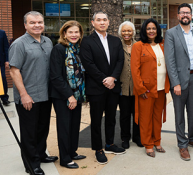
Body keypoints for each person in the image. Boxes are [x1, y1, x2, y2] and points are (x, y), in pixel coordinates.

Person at [9, 11, 58, 175]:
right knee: (29, 132)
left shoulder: (47, 41)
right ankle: (31, 164)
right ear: (25, 25)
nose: (37, 25)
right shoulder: (19, 44)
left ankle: (41, 154)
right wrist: (24, 94)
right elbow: (14, 71)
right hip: (28, 97)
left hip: (46, 94)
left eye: (40, 22)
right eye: (32, 23)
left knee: (43, 129)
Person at [80, 11, 125, 165]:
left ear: (108, 21)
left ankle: (110, 144)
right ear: (93, 23)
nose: (102, 22)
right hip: (96, 87)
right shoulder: (86, 41)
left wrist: (113, 78)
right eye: (98, 20)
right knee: (97, 120)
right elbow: (88, 64)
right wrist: (104, 80)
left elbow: (120, 61)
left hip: (113, 87)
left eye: (105, 19)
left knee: (111, 118)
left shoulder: (115, 40)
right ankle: (98, 149)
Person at [164, 3, 193, 161]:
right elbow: (170, 60)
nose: (185, 15)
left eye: (188, 13)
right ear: (178, 15)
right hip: (179, 81)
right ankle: (182, 144)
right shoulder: (171, 33)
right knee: (180, 115)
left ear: (191, 15)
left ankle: (192, 138)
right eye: (182, 13)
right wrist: (176, 83)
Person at [49, 20, 87, 169]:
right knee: (64, 127)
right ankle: (65, 158)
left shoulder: (77, 49)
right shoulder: (59, 49)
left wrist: (77, 95)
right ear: (64, 34)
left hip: (77, 94)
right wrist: (69, 96)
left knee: (74, 124)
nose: (73, 35)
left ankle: (72, 151)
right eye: (70, 32)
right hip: (62, 96)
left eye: (76, 32)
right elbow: (55, 76)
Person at [131, 18, 170, 158]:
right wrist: (140, 89)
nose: (151, 31)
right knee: (145, 118)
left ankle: (157, 141)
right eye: (148, 29)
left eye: (154, 28)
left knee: (157, 117)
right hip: (146, 89)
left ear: (158, 30)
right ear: (144, 31)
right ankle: (148, 144)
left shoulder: (163, 44)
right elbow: (134, 70)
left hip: (161, 88)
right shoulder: (138, 46)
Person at [118, 21, 143, 149]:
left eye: (129, 30)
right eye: (124, 31)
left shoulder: (139, 45)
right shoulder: (116, 45)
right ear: (120, 32)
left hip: (137, 86)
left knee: (137, 113)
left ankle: (137, 137)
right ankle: (125, 138)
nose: (126, 33)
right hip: (122, 86)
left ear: (133, 32)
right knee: (124, 114)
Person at [0, 29, 10, 106]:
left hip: (1, 62)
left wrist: (7, 60)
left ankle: (4, 98)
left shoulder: (2, 33)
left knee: (2, 80)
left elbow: (6, 47)